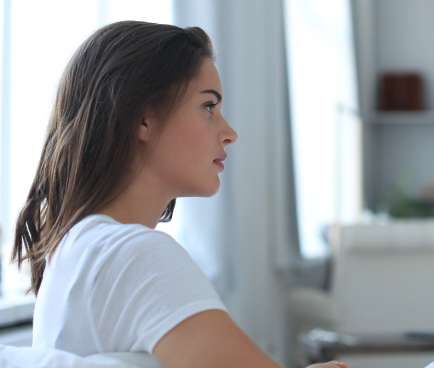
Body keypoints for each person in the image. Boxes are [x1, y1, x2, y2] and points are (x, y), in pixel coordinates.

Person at [12, 21, 345, 368]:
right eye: (208, 107)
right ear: (142, 118)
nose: (229, 132)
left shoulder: (75, 249)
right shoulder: (135, 255)